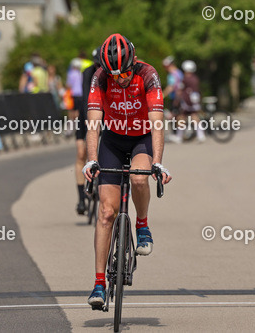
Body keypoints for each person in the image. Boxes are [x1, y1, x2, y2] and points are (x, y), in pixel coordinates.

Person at [83, 34, 172, 310]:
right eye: (113, 74)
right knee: (106, 213)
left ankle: (142, 225)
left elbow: (157, 123)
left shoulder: (148, 75)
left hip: (141, 139)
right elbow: (94, 125)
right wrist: (91, 160)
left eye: (123, 73)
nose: (118, 78)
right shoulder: (100, 78)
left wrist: (157, 161)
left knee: (138, 176)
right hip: (112, 139)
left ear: (132, 62)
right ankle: (99, 284)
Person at [75, 48, 98, 215]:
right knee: (81, 153)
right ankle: (81, 198)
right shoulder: (87, 72)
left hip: (103, 115)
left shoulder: (110, 73)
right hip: (86, 114)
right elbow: (85, 99)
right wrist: (91, 126)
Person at [177, 60, 205, 142]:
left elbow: (180, 89)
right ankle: (201, 135)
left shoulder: (185, 79)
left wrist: (177, 100)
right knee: (194, 116)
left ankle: (179, 136)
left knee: (181, 117)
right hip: (195, 100)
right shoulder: (195, 78)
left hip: (187, 100)